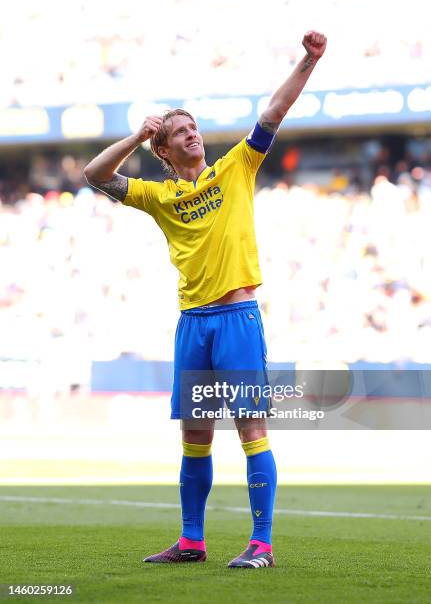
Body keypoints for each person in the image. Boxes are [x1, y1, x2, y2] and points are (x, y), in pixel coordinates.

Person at [84, 30, 327, 569]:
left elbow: (274, 111)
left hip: (238, 318)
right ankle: (192, 541)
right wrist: (135, 134)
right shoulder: (159, 195)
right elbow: (94, 175)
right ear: (163, 150)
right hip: (193, 323)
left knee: (250, 429)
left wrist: (308, 61)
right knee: (195, 438)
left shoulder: (237, 167)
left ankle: (261, 544)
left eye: (193, 127)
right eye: (177, 131)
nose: (191, 135)